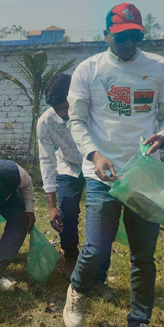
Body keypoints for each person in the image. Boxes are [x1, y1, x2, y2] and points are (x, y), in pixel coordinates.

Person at [63, 3, 164, 327]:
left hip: (145, 174)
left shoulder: (159, 67)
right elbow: (76, 121)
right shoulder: (90, 69)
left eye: (135, 36)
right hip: (103, 174)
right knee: (97, 248)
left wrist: (163, 135)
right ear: (107, 35)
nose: (129, 42)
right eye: (122, 36)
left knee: (143, 256)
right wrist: (94, 155)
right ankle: (78, 292)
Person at [38, 74, 112, 287]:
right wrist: (52, 206)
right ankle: (70, 256)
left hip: (97, 162)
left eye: (66, 107)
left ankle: (99, 268)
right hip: (69, 165)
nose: (63, 114)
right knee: (67, 210)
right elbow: (47, 161)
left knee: (102, 212)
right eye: (57, 109)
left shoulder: (95, 110)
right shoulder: (46, 122)